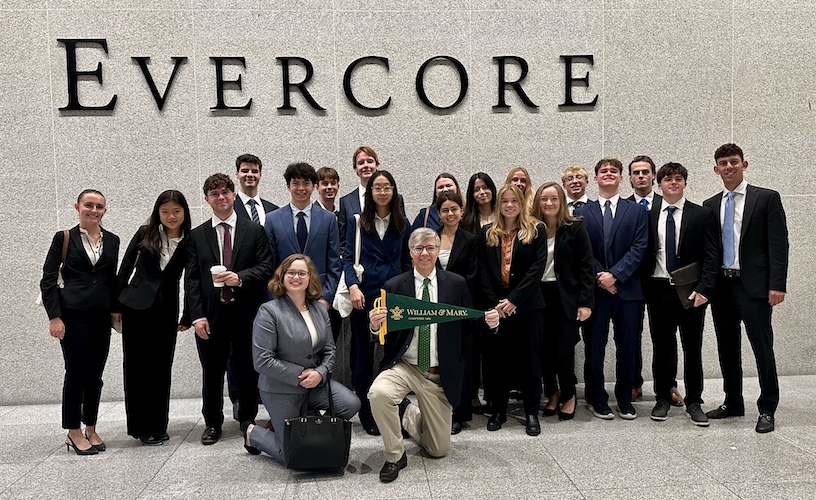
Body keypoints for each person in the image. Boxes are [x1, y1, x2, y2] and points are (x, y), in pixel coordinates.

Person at [368, 228, 499, 482]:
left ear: (438, 251)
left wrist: (489, 322)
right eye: (418, 248)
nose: (424, 253)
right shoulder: (394, 286)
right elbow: (382, 332)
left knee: (438, 449)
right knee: (378, 393)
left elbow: (469, 324)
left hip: (439, 373)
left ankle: (407, 413)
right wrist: (374, 327)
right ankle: (395, 455)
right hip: (406, 366)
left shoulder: (456, 283)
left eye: (429, 247)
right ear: (410, 253)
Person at [703, 143, 789, 433]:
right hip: (722, 287)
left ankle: (767, 408)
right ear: (716, 169)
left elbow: (778, 245)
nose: (729, 167)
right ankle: (733, 401)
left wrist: (777, 284)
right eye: (723, 163)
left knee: (762, 347)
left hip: (754, 286)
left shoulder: (765, 199)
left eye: (734, 162)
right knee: (727, 348)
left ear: (744, 164)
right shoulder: (710, 205)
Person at [243, 254, 361, 463]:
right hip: (281, 388)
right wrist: (301, 375)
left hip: (316, 384)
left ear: (310, 278)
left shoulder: (319, 309)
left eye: (302, 273)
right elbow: (262, 360)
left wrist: (320, 373)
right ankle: (254, 434)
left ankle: (305, 424)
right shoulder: (269, 311)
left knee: (351, 404)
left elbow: (330, 350)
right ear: (282, 277)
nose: (296, 277)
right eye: (291, 272)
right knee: (293, 456)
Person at [185, 173, 275, 445]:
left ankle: (247, 418)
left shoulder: (254, 230)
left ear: (234, 196)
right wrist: (197, 316)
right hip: (211, 316)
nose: (221, 197)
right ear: (206, 199)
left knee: (248, 369)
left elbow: (266, 267)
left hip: (246, 314)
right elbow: (191, 280)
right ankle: (212, 423)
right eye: (215, 194)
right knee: (212, 372)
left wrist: (241, 277)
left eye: (225, 192)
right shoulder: (197, 235)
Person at [40, 189, 120, 455]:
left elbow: (110, 278)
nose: (94, 210)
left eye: (99, 206)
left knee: (94, 375)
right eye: (89, 205)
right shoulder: (64, 238)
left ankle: (91, 427)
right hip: (72, 315)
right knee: (75, 373)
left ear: (105, 211)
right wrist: (54, 317)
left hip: (100, 316)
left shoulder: (113, 240)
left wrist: (116, 308)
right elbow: (48, 279)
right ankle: (73, 430)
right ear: (77, 207)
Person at [642, 163, 720, 426]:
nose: (672, 183)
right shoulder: (649, 214)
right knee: (661, 346)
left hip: (691, 293)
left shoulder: (702, 214)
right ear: (658, 184)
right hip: (658, 289)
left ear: (685, 183)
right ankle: (663, 397)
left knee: (692, 347)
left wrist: (704, 289)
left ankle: (695, 401)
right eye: (667, 179)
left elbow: (712, 256)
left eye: (678, 179)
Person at [115, 190, 191, 445]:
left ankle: (159, 425)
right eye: (165, 211)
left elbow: (194, 279)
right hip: (136, 308)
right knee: (137, 368)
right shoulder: (144, 232)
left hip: (166, 310)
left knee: (161, 368)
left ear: (184, 213)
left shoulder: (190, 239)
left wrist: (188, 314)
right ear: (158, 212)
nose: (171, 216)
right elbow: (125, 267)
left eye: (176, 211)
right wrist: (115, 304)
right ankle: (140, 427)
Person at [575, 158, 648, 420]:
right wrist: (601, 277)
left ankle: (625, 398)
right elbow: (582, 251)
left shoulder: (636, 211)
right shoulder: (583, 212)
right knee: (595, 347)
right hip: (595, 292)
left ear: (621, 178)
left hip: (628, 292)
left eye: (613, 171)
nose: (608, 174)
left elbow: (640, 247)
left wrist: (615, 276)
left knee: (628, 346)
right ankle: (597, 397)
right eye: (603, 171)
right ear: (595, 179)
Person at [343, 170, 412, 435]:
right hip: (365, 296)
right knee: (363, 357)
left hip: (394, 298)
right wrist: (353, 287)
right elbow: (347, 258)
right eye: (377, 188)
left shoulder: (402, 223)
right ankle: (366, 412)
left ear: (394, 191)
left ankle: (391, 407)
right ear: (370, 192)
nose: (382, 192)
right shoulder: (358, 222)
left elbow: (407, 263)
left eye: (387, 187)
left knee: (393, 356)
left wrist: (405, 294)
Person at [479, 184, 547, 435]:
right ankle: (498, 410)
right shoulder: (488, 232)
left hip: (528, 307)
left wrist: (515, 299)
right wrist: (497, 301)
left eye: (514, 201)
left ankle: (531, 412)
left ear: (521, 203)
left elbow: (536, 269)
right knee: (498, 362)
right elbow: (484, 271)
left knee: (530, 360)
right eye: (504, 201)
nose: (509, 205)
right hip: (497, 308)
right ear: (499, 205)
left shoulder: (536, 229)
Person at [531, 182, 594, 421]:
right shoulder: (533, 229)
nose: (549, 203)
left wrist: (586, 302)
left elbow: (586, 266)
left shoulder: (574, 227)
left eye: (554, 199)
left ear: (562, 201)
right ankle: (553, 393)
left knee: (563, 350)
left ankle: (569, 394)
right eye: (544, 199)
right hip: (538, 297)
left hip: (566, 297)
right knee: (544, 350)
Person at [626, 155, 672, 404]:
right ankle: (634, 383)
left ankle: (668, 385)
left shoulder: (667, 203)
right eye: (636, 172)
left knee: (663, 336)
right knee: (632, 334)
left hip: (660, 281)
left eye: (645, 172)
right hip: (631, 280)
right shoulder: (622, 206)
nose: (641, 176)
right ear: (630, 178)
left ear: (653, 175)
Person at [265, 162, 340, 312]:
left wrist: (326, 298)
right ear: (288, 186)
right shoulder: (272, 220)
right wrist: (275, 299)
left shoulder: (328, 219)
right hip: (284, 299)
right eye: (295, 183)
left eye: (306, 183)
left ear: (313, 186)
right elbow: (269, 264)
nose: (301, 188)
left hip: (319, 297)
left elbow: (334, 263)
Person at [434, 192, 480, 434]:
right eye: (445, 210)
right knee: (437, 360)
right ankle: (437, 409)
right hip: (432, 307)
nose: (450, 214)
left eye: (454, 209)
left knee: (461, 361)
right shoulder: (431, 238)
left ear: (461, 211)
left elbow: (472, 277)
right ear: (438, 214)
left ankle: (459, 413)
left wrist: (458, 305)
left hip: (460, 308)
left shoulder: (471, 240)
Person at [338, 146, 405, 251]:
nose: (366, 166)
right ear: (355, 168)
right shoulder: (345, 202)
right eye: (361, 163)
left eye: (369, 161)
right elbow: (343, 240)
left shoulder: (396, 198)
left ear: (376, 165)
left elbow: (401, 232)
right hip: (358, 263)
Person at [233, 153, 279, 226]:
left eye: (254, 171)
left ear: (260, 175)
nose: (250, 175)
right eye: (245, 171)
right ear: (237, 174)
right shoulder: (230, 208)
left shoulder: (274, 210)